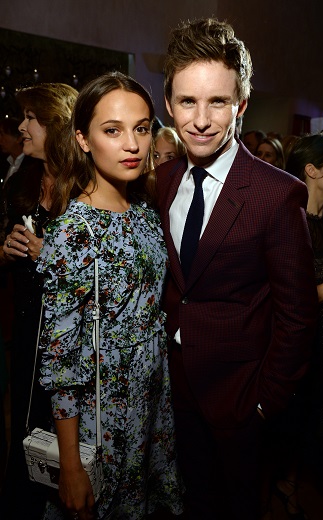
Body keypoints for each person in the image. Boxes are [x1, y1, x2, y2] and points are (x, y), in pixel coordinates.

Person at [155, 17, 318, 520]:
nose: (201, 120)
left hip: (242, 403)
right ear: (169, 104)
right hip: (174, 395)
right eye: (188, 102)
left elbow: (298, 315)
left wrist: (264, 405)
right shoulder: (160, 181)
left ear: (240, 105)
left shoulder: (276, 193)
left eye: (218, 102)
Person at [36, 72, 183, 520]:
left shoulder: (143, 212)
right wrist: (71, 464)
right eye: (112, 130)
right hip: (103, 414)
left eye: (141, 128)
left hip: (152, 401)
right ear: (83, 139)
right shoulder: (74, 232)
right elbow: (60, 362)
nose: (133, 145)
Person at [0, 83, 78, 520]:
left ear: (57, 125)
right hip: (28, 331)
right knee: (25, 435)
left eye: (31, 117)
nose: (21, 126)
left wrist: (45, 251)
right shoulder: (21, 181)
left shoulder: (87, 186)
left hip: (70, 336)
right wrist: (6, 250)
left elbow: (99, 276)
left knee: (66, 445)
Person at [285, 133, 323, 516]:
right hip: (306, 345)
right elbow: (295, 302)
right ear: (312, 171)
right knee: (299, 427)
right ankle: (288, 489)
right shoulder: (292, 222)